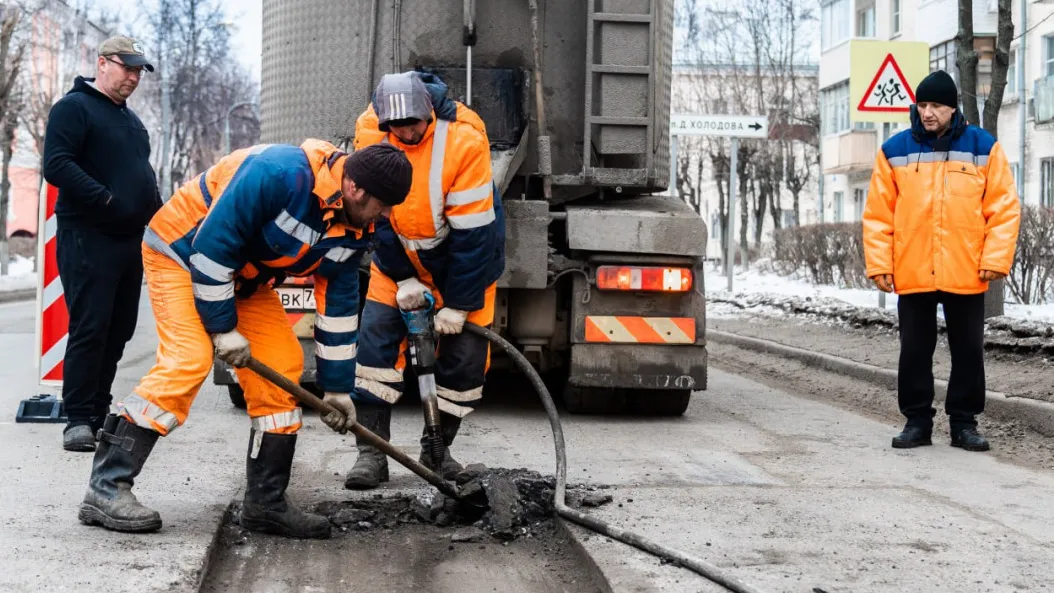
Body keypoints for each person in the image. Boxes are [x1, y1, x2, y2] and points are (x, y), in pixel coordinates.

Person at [77, 141, 413, 539]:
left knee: (282, 365)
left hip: (242, 276)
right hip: (184, 255)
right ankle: (106, 486)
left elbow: (337, 304)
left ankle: (265, 503)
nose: (388, 215)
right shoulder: (278, 173)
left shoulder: (360, 223)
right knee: (189, 359)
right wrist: (223, 329)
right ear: (356, 189)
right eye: (385, 204)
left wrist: (338, 389)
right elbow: (212, 249)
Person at [342, 71, 505, 489]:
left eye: (413, 123)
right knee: (375, 351)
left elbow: (475, 234)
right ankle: (371, 454)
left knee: (465, 361)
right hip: (399, 261)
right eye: (396, 126)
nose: (406, 132)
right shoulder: (370, 131)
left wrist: (461, 303)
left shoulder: (463, 140)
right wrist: (402, 277)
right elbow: (373, 214)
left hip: (462, 262)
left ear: (428, 110)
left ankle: (437, 451)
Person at [863, 70, 1020, 452]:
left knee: (968, 351)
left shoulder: (984, 148)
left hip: (966, 269)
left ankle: (964, 424)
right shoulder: (894, 150)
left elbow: (1003, 209)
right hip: (913, 268)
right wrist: (881, 264)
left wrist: (995, 259)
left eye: (936, 105)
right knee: (914, 350)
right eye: (923, 104)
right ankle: (916, 421)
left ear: (953, 108)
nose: (928, 112)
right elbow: (878, 215)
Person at [42, 36, 161, 452]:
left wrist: (162, 220)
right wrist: (105, 199)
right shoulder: (73, 108)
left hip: (130, 241)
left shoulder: (131, 121)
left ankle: (97, 411)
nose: (132, 77)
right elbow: (56, 165)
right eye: (126, 68)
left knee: (120, 329)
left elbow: (142, 177)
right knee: (90, 327)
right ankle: (76, 417)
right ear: (102, 63)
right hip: (89, 235)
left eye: (138, 71)